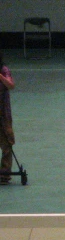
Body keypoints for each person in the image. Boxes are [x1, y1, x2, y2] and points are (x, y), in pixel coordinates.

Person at [0, 52, 16, 184]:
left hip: (3, 114)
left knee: (7, 143)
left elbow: (11, 85)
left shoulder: (4, 70)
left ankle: (5, 173)